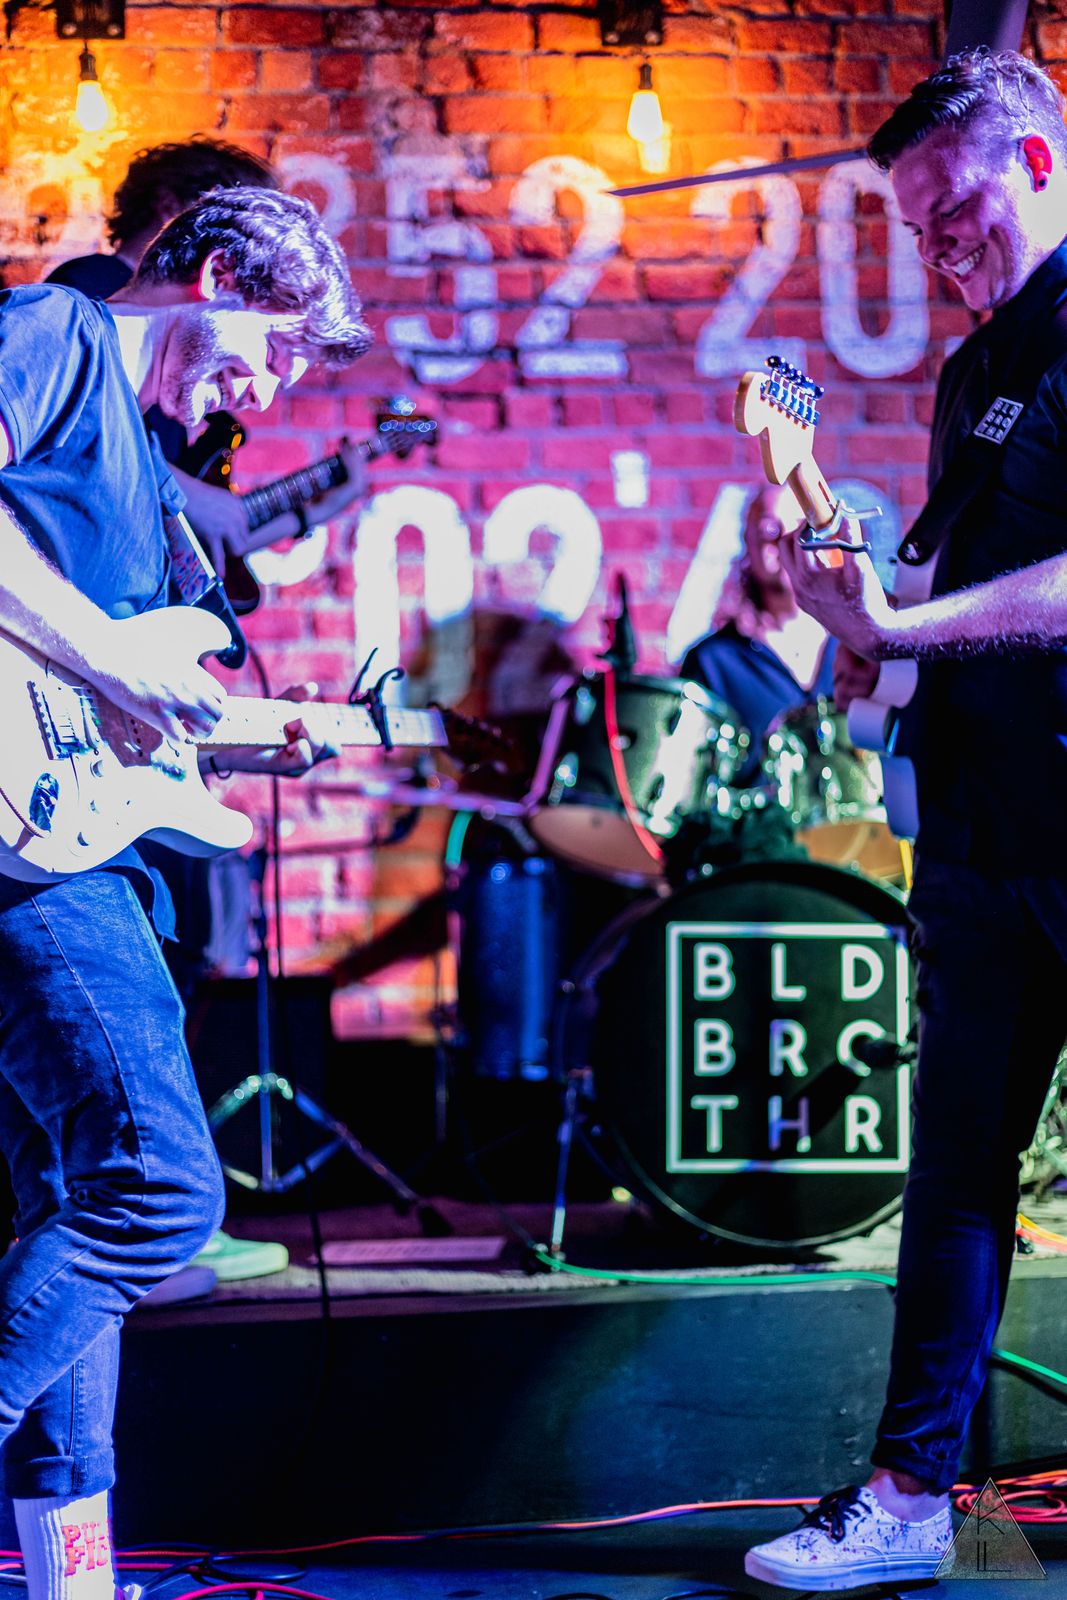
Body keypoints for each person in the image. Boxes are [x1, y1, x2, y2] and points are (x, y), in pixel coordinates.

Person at [0, 185, 371, 1600]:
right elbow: (86, 652)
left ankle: (69, 1576)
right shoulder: (57, 332)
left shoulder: (147, 471)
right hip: (33, 860)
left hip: (64, 830)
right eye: (273, 349)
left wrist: (237, 732)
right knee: (156, 1188)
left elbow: (116, 689)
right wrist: (107, 656)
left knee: (68, 1196)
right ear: (214, 273)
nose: (268, 392)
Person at [745, 47, 1067, 1591]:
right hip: (982, 830)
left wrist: (904, 624)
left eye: (953, 214)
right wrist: (845, 609)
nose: (935, 251)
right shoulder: (972, 370)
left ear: (1035, 162)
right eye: (915, 229)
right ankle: (906, 1498)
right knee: (952, 1183)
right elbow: (937, 596)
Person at [48, 137, 369, 575]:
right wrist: (187, 494)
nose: (261, 399)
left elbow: (190, 547)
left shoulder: (159, 404)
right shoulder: (76, 305)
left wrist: (311, 512)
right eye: (230, 206)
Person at [681, 482, 835, 764]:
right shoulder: (713, 661)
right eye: (770, 530)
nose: (787, 541)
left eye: (801, 527)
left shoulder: (855, 645)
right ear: (747, 542)